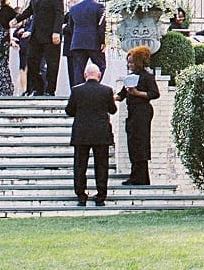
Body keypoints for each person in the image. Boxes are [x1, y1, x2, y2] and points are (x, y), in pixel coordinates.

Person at [65, 60, 117, 206]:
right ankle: (101, 195)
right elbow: (113, 110)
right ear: (99, 75)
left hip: (81, 132)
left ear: (85, 75)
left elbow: (69, 110)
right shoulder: (106, 91)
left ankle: (81, 195)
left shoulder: (76, 90)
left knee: (80, 165)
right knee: (101, 165)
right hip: (101, 132)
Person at [118, 46, 161, 186]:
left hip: (142, 112)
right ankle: (138, 175)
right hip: (133, 112)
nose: (130, 65)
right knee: (133, 141)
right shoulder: (129, 78)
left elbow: (154, 93)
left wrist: (138, 94)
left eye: (132, 62)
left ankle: (138, 176)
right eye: (128, 62)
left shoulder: (147, 77)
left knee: (140, 142)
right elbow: (121, 95)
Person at [18, 0, 65, 96]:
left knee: (52, 64)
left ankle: (50, 90)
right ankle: (37, 88)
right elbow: (30, 10)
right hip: (36, 34)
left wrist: (56, 32)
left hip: (50, 35)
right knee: (32, 61)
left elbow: (59, 13)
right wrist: (17, 19)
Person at [63, 0, 107, 90]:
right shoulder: (99, 6)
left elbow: (71, 26)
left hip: (77, 41)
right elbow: (101, 25)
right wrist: (103, 41)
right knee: (101, 65)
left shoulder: (74, 8)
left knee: (78, 69)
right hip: (94, 42)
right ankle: (93, 85)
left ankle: (79, 90)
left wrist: (75, 37)